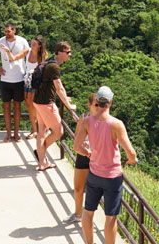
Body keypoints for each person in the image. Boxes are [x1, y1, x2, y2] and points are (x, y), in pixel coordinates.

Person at [74, 86, 138, 244]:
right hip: (112, 176)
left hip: (94, 174)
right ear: (110, 102)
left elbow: (76, 146)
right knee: (111, 217)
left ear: (96, 102)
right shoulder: (116, 124)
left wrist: (88, 153)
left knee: (88, 212)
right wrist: (132, 160)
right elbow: (130, 152)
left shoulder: (87, 121)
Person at [34, 41, 75, 172]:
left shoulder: (49, 61)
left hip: (38, 101)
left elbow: (51, 86)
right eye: (68, 52)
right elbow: (59, 87)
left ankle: (42, 162)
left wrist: (64, 98)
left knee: (42, 132)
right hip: (46, 104)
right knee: (59, 132)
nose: (70, 55)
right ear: (60, 52)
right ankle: (41, 154)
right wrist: (68, 105)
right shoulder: (54, 67)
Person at [0, 21, 30, 143]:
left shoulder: (22, 41)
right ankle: (8, 134)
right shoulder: (0, 41)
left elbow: (26, 54)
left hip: (19, 78)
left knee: (17, 106)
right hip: (5, 79)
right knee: (6, 106)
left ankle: (16, 134)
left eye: (9, 31)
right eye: (5, 31)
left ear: (14, 31)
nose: (7, 33)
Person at [66, 93, 97, 223]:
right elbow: (77, 135)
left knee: (94, 189)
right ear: (89, 105)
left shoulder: (104, 120)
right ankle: (78, 213)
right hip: (83, 154)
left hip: (97, 157)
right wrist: (83, 143)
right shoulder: (83, 118)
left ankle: (90, 215)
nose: (98, 107)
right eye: (96, 104)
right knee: (78, 188)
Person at [23, 35, 47, 139]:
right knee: (28, 105)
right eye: (31, 43)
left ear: (39, 46)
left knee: (35, 106)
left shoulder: (42, 56)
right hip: (27, 80)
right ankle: (35, 129)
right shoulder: (27, 52)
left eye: (34, 44)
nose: (32, 45)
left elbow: (44, 70)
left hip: (36, 82)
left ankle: (40, 128)